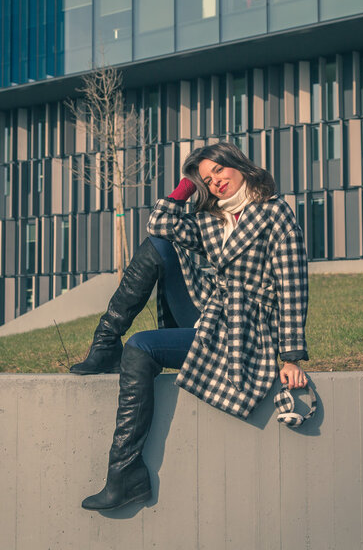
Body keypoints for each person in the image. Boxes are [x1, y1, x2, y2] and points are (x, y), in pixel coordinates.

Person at [71, 141, 309, 511]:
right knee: (156, 245)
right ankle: (105, 342)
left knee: (141, 347)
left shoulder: (275, 213)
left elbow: (292, 284)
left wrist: (291, 356)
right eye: (207, 179)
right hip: (211, 312)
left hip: (245, 332)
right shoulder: (212, 218)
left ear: (238, 165)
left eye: (219, 170)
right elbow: (159, 224)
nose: (215, 182)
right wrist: (185, 186)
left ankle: (124, 475)